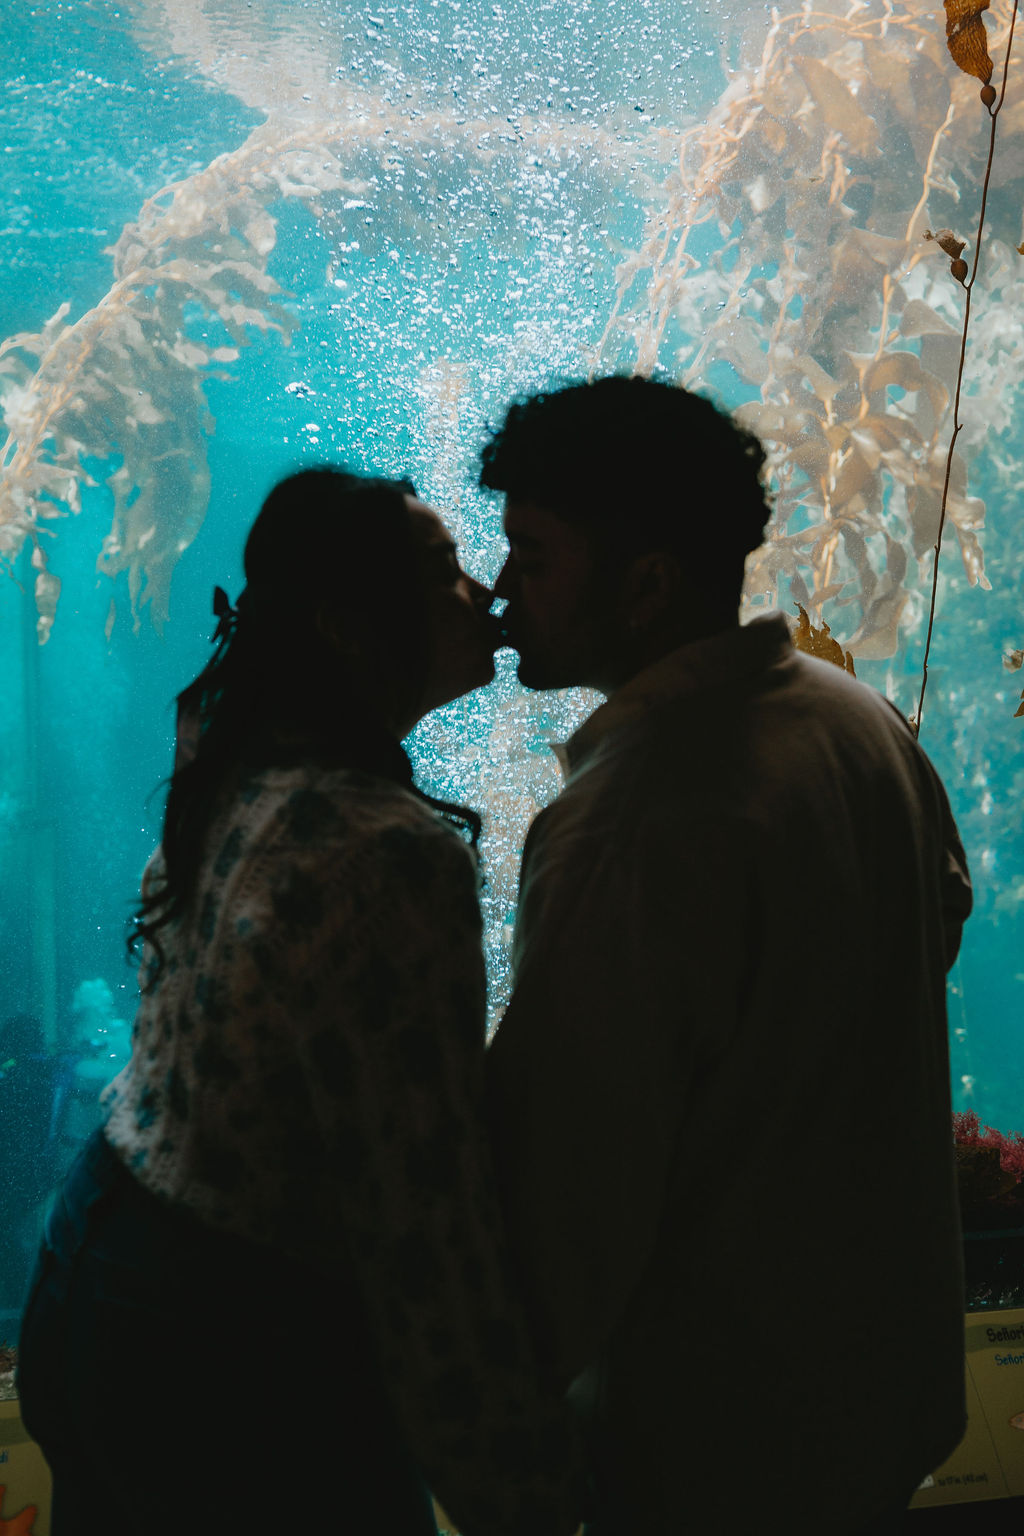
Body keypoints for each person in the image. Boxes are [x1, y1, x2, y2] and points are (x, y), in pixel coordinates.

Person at [17, 466, 584, 1536]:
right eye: (441, 573)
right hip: (227, 1351)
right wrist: (519, 1491)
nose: (485, 596)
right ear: (347, 627)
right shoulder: (384, 854)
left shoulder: (234, 750)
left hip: (94, 1257)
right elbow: (422, 1215)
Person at [480, 377, 973, 1536]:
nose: (503, 590)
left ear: (645, 584)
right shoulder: (860, 725)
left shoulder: (626, 822)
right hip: (880, 1399)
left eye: (533, 555)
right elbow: (932, 930)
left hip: (710, 1443)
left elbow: (566, 1187)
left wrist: (495, 1426)